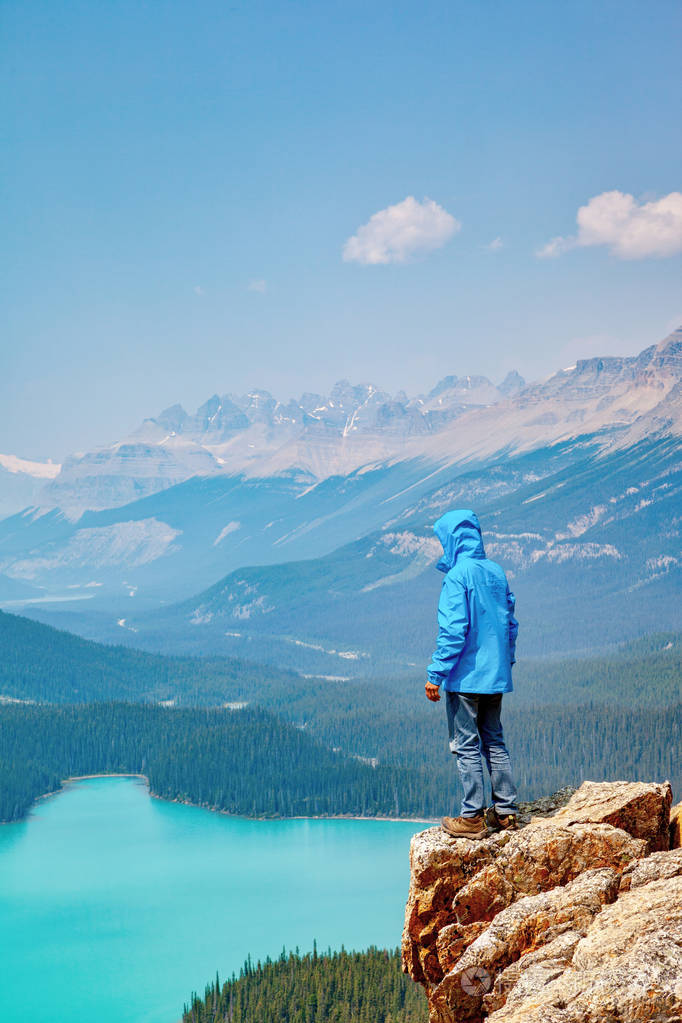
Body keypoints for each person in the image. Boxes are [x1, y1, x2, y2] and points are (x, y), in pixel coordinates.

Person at [425, 509, 519, 839]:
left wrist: (436, 674)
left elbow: (453, 630)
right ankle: (506, 812)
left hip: (465, 678)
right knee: (493, 739)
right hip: (495, 676)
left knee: (465, 744)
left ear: (452, 540)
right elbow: (510, 624)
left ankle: (472, 817)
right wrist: (507, 662)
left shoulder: (457, 577)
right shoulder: (496, 572)